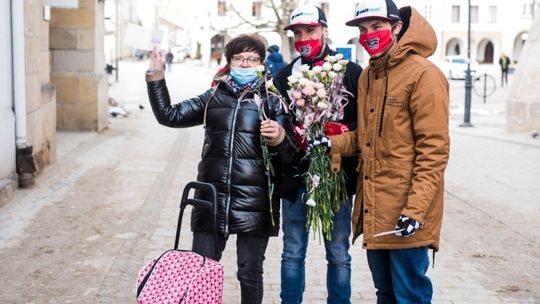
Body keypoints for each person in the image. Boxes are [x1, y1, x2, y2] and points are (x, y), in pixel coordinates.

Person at [145, 34, 300, 304]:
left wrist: (279, 138)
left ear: (262, 64)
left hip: (255, 201)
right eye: (239, 58)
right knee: (201, 271)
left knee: (250, 273)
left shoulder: (273, 102)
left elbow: (292, 158)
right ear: (229, 62)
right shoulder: (213, 96)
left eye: (252, 59)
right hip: (211, 197)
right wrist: (156, 75)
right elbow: (169, 116)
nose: (245, 64)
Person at [325, 0, 450, 302]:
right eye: (363, 29)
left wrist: (415, 211)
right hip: (375, 208)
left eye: (377, 27)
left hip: (407, 211)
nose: (369, 34)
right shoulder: (371, 74)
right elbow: (366, 138)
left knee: (409, 294)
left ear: (396, 27)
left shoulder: (423, 74)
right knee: (386, 293)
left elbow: (434, 151)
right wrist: (332, 144)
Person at [272, 5, 362, 304]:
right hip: (296, 179)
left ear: (324, 30)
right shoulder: (284, 77)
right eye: (297, 33)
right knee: (292, 252)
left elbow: (364, 125)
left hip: (336, 178)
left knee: (338, 255)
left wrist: (337, 134)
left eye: (309, 30)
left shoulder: (350, 72)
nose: (303, 38)